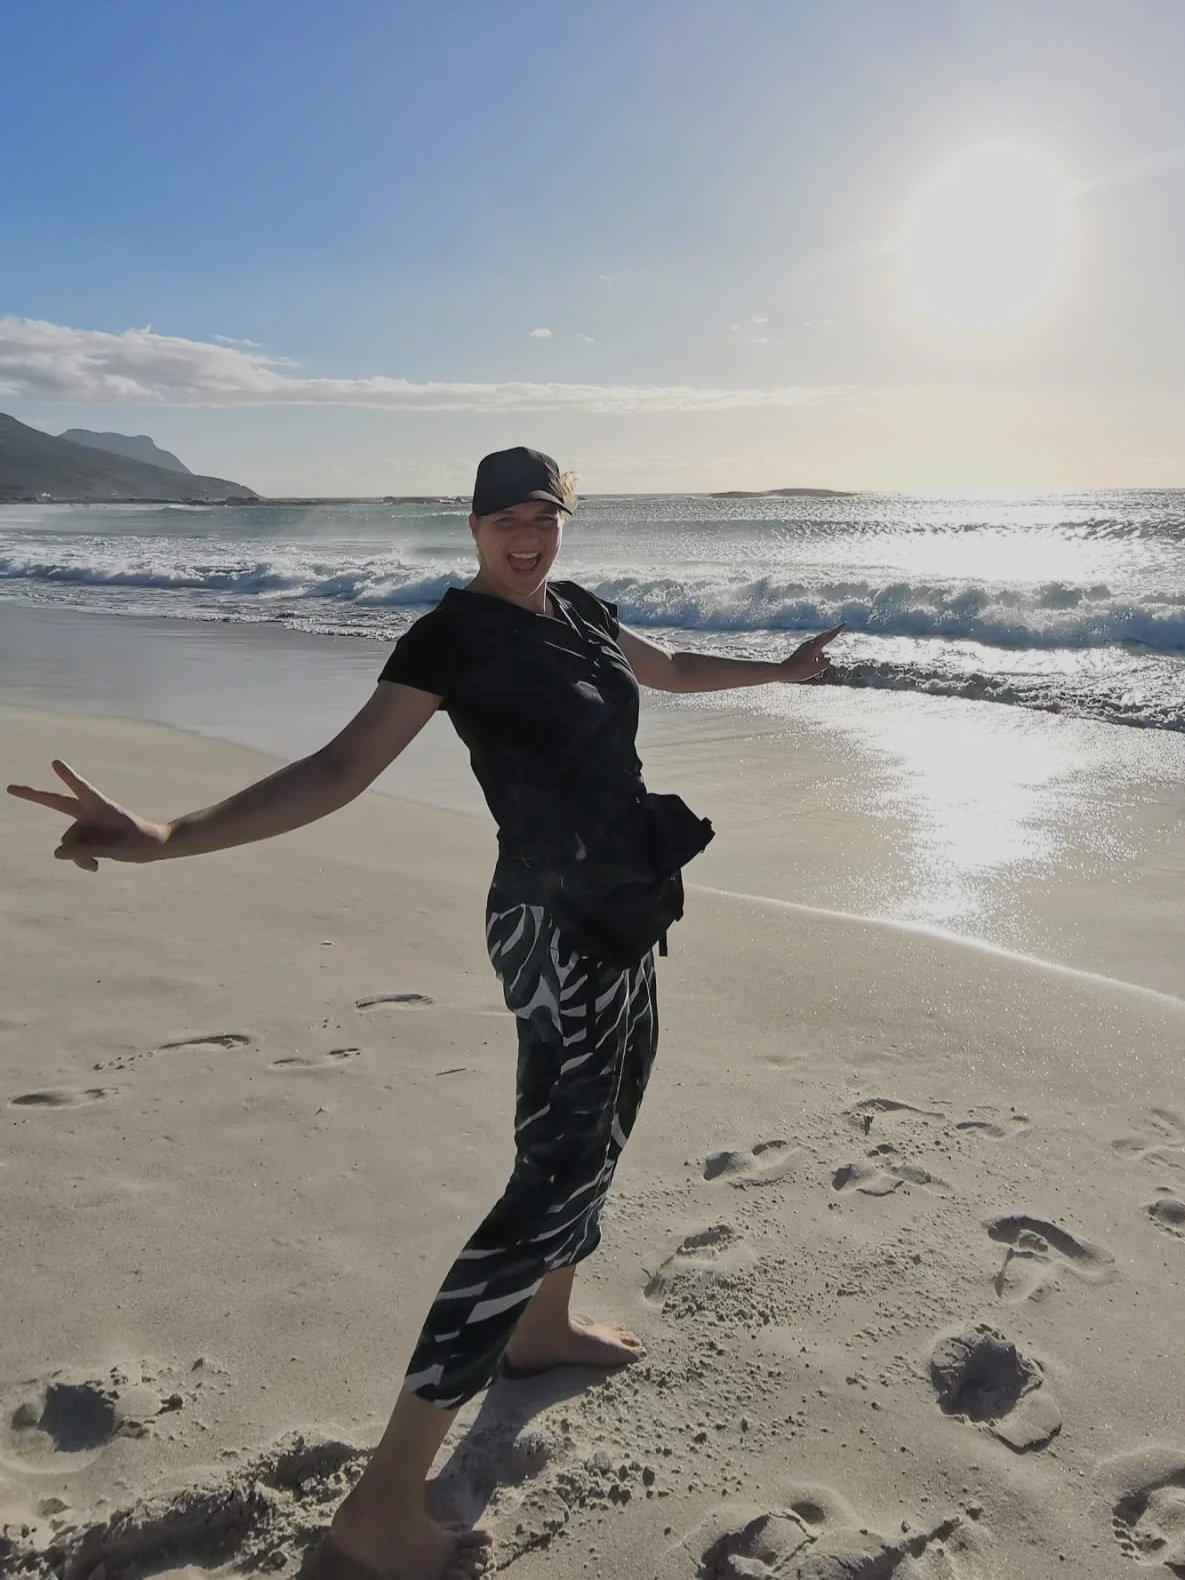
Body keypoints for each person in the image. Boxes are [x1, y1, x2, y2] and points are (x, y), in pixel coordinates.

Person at [7, 447, 845, 1580]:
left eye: (542, 515)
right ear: (470, 525)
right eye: (503, 519)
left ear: (565, 519)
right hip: (554, 927)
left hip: (627, 898)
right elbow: (341, 766)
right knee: (550, 1171)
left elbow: (673, 666)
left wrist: (782, 672)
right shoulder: (453, 636)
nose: (524, 536)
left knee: (601, 1120)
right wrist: (165, 835)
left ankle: (544, 1323)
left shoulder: (584, 610)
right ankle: (381, 1503)